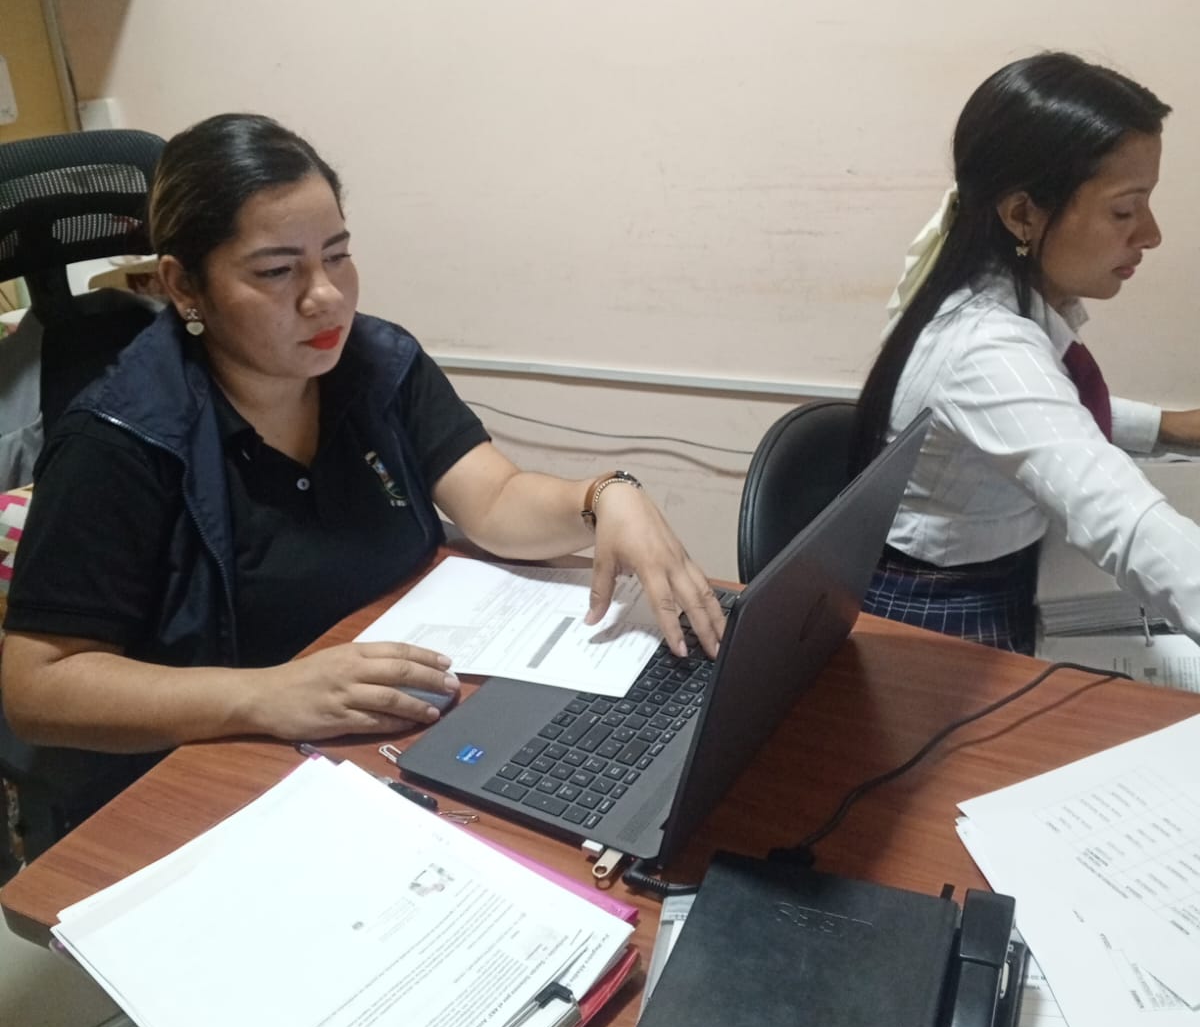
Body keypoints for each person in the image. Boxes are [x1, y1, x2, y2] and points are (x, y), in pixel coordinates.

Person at [0, 112, 726, 847]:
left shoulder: (376, 361)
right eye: (277, 271)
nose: (326, 296)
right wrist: (262, 694)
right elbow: (38, 687)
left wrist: (604, 497)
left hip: (382, 737)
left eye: (337, 256)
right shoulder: (120, 438)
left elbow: (495, 500)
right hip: (215, 780)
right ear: (184, 285)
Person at [850, 51, 1200, 654]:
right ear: (1022, 215)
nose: (1150, 234)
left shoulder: (987, 289)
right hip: (943, 609)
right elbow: (1122, 518)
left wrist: (1165, 426)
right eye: (1125, 209)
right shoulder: (985, 348)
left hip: (999, 573)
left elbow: (1039, 407)